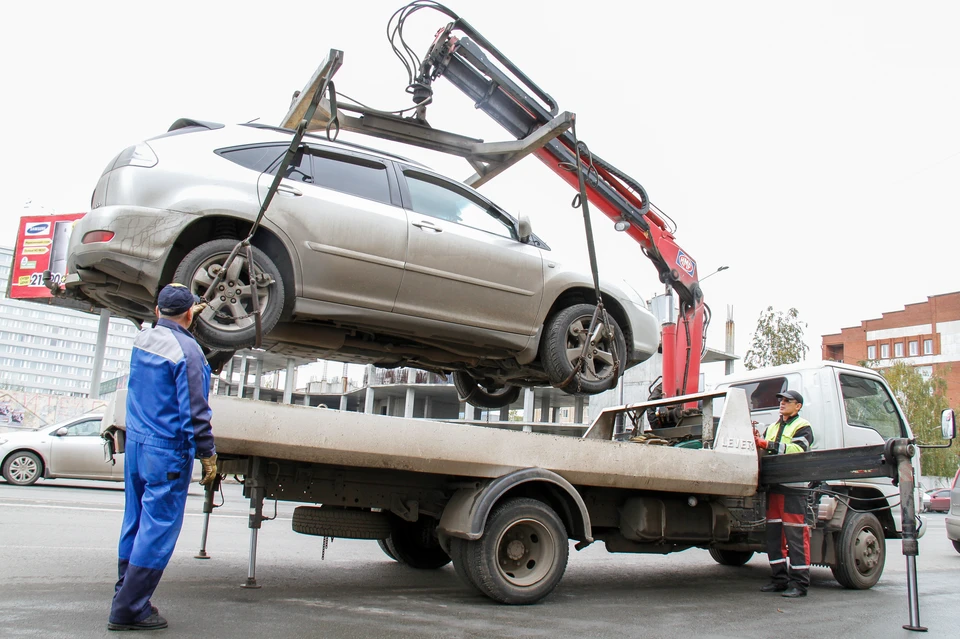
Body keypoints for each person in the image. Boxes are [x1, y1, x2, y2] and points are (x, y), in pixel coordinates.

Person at [108, 284, 218, 631]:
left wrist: (180, 319)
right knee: (157, 530)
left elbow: (163, 327)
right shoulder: (189, 353)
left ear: (157, 312)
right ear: (189, 314)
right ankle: (130, 609)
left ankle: (125, 591)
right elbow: (196, 412)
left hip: (138, 446)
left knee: (136, 522)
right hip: (166, 451)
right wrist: (208, 454)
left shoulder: (143, 340)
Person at [753, 389, 814, 598]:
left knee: (796, 537)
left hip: (793, 490)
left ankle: (799, 584)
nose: (782, 403)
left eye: (788, 400)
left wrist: (767, 444)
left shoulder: (803, 427)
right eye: (781, 400)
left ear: (798, 406)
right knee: (774, 537)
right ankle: (779, 579)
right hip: (774, 489)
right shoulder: (772, 427)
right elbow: (763, 450)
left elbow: (798, 449)